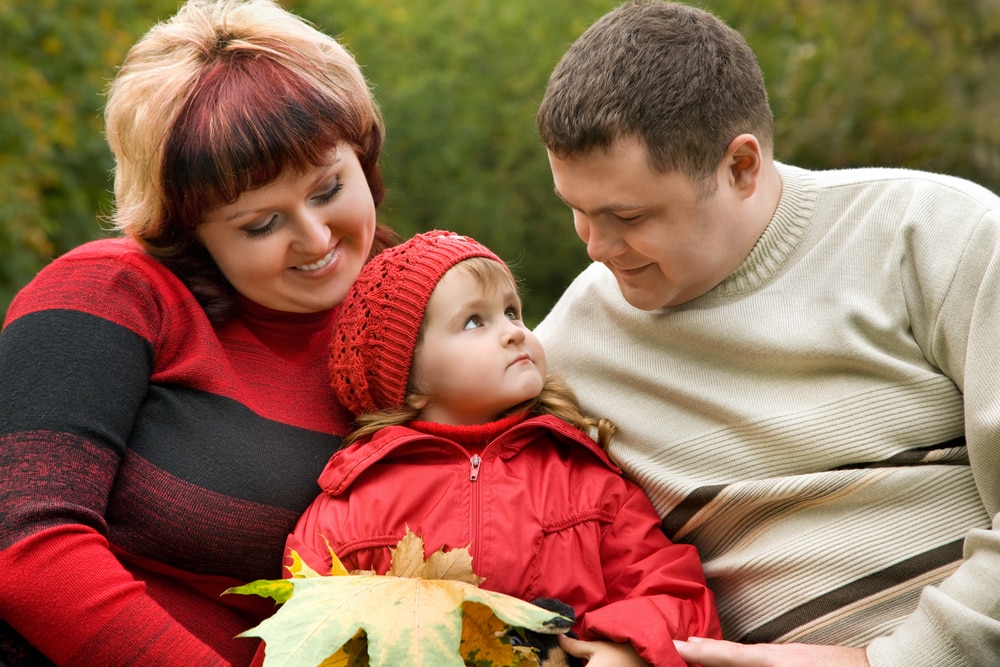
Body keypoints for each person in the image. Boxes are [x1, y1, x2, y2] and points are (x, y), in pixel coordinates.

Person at [533, 1, 1000, 666]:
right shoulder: (564, 356)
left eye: (627, 215)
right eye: (576, 211)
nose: (596, 247)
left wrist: (894, 660)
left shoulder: (935, 236)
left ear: (741, 167)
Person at [0, 0, 399, 664]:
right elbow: (24, 542)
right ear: (188, 232)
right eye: (260, 224)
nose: (315, 238)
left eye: (328, 188)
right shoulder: (114, 291)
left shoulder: (418, 314)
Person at [279, 229, 721, 666]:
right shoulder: (351, 507)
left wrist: (627, 649)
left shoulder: (585, 480)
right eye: (475, 321)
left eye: (513, 312)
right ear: (408, 382)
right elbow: (299, 640)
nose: (513, 332)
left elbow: (671, 589)